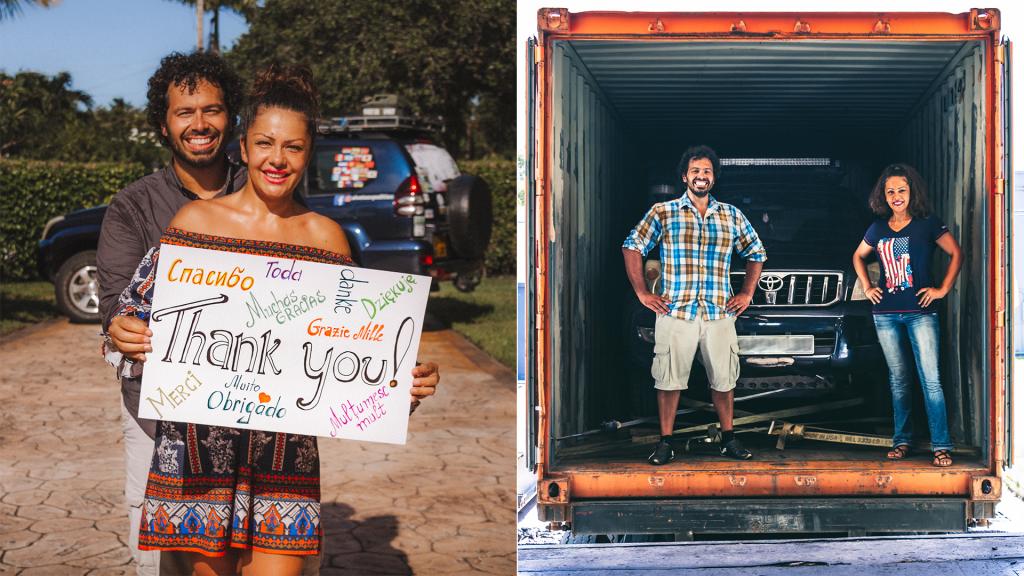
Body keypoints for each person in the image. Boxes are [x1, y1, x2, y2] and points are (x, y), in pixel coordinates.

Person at [98, 54, 439, 574]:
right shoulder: (195, 222)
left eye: (293, 147)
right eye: (264, 143)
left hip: (284, 456)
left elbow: (353, 355)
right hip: (197, 452)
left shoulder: (327, 239)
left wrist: (400, 387)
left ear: (308, 154)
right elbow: (132, 315)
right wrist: (124, 333)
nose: (277, 159)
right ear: (244, 147)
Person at [98, 51, 247, 575]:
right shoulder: (132, 207)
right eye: (185, 112)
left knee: (257, 552)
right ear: (163, 125)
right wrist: (120, 328)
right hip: (158, 414)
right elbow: (115, 303)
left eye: (212, 109)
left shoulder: (267, 190)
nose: (199, 123)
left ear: (231, 117)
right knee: (161, 559)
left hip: (256, 417)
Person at [622, 145, 767, 465]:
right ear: (685, 177)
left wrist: (746, 293)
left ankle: (728, 439)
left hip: (718, 312)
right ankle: (665, 443)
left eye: (707, 171)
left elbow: (756, 252)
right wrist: (643, 293)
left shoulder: (731, 215)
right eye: (696, 171)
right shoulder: (663, 212)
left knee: (724, 380)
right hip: (676, 311)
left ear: (714, 178)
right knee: (668, 380)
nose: (701, 176)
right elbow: (632, 246)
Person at [852, 163, 962, 467]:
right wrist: (867, 286)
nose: (896, 196)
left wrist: (942, 290)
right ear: (883, 196)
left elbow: (956, 253)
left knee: (931, 380)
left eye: (901, 190)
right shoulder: (877, 228)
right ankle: (901, 441)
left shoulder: (928, 224)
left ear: (912, 192)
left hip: (920, 313)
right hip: (885, 314)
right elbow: (858, 256)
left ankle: (941, 445)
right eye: (890, 192)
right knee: (899, 380)